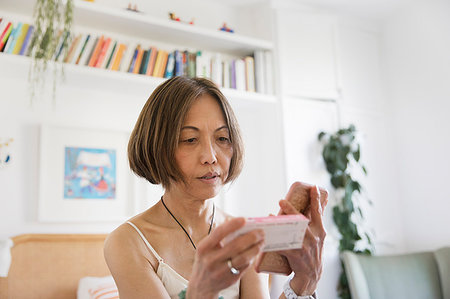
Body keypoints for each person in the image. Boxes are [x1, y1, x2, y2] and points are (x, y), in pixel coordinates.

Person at [104, 77, 327, 299]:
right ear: (158, 146)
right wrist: (202, 292)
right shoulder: (128, 242)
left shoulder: (245, 237)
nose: (211, 157)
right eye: (190, 139)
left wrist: (303, 284)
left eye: (222, 138)